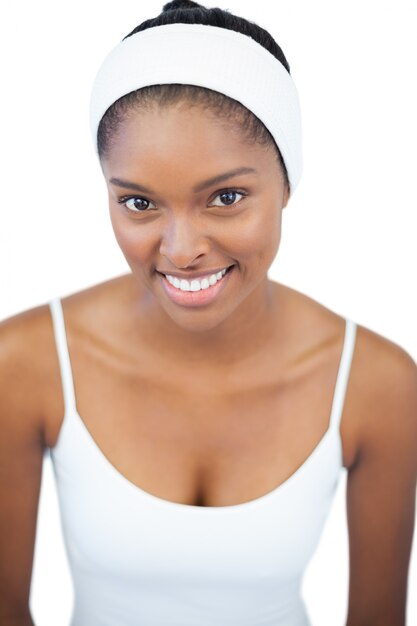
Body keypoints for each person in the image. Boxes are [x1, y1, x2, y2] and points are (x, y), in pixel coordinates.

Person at [0, 1, 416, 624]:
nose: (180, 249)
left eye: (225, 197)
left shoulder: (376, 383)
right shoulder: (25, 363)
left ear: (287, 183)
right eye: (139, 202)